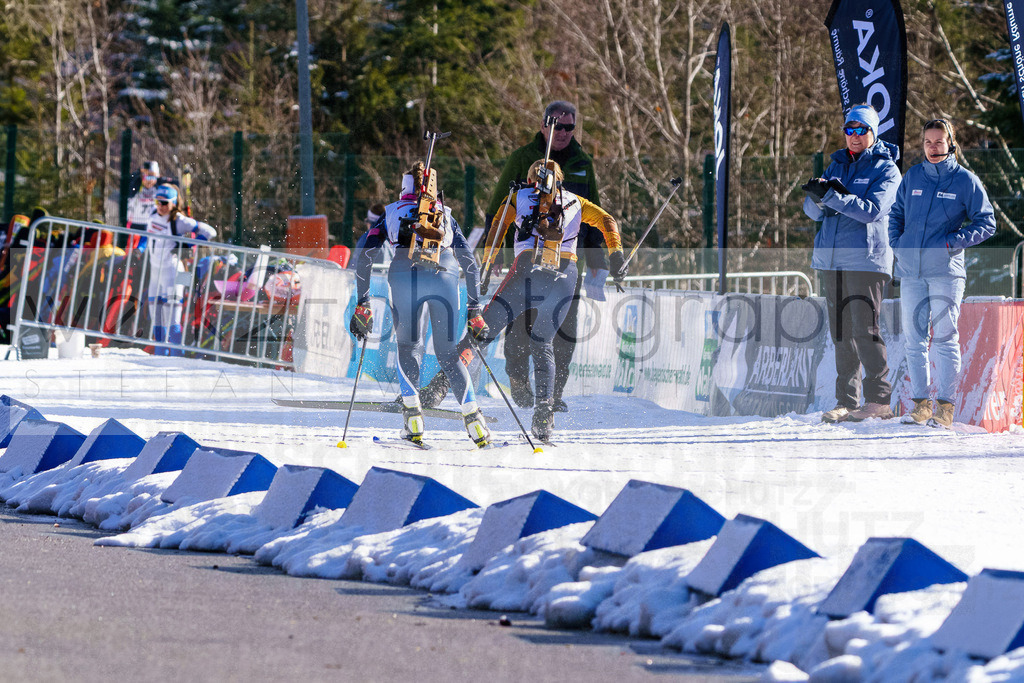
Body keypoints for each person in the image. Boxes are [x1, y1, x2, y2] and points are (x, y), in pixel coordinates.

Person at [420, 159, 627, 442]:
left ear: (531, 180)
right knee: (543, 343)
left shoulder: (518, 196)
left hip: (526, 272)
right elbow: (608, 221)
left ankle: (439, 387)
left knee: (482, 331)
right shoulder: (578, 202)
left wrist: (487, 264)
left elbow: (497, 226)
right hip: (565, 277)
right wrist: (616, 255)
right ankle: (544, 414)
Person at [350, 162, 492, 448]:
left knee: (408, 347)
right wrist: (474, 308)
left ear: (404, 186)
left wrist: (363, 302)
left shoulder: (391, 212)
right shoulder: (445, 214)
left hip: (405, 275)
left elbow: (365, 255)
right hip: (445, 275)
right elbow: (469, 262)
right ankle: (475, 421)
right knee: (448, 353)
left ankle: (413, 417)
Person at [482, 101, 607, 413]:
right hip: (527, 259)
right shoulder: (522, 158)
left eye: (569, 127)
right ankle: (518, 379)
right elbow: (500, 208)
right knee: (520, 325)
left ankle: (552, 393)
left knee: (563, 329)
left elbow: (595, 213)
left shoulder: (582, 162)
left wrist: (598, 260)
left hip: (567, 261)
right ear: (543, 126)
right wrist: (495, 251)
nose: (563, 133)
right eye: (557, 126)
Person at [888, 118, 995, 427]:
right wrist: (898, 244)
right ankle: (921, 406)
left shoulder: (965, 181)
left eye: (939, 142)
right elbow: (896, 214)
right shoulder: (913, 176)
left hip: (945, 274)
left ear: (951, 144)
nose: (933, 147)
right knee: (914, 341)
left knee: (945, 339)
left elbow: (987, 223)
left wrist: (951, 243)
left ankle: (945, 408)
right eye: (928, 142)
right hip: (911, 272)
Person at [801, 103, 901, 423]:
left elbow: (872, 210)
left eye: (861, 129)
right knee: (842, 334)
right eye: (849, 129)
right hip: (832, 261)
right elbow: (812, 213)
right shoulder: (836, 165)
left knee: (864, 330)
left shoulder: (887, 169)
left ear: (873, 133)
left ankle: (879, 400)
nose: (854, 135)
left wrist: (832, 197)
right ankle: (846, 401)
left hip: (866, 260)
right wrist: (817, 197)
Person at [145, 184, 216, 356]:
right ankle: (160, 356)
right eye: (157, 202)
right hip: (155, 275)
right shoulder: (153, 214)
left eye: (165, 203)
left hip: (174, 273)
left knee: (172, 321)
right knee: (157, 321)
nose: (160, 206)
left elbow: (210, 231)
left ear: (173, 203)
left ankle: (178, 358)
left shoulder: (179, 220)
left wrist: (189, 244)